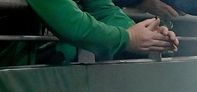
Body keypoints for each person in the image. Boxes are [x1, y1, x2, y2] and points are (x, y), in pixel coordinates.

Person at [0, 0, 178, 65]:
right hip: (11, 77)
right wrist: (128, 38)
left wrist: (149, 34)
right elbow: (72, 24)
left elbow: (104, 9)